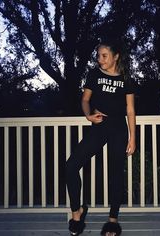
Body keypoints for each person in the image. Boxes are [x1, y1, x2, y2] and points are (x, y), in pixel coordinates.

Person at [66, 38, 136, 236]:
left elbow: (130, 110)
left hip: (118, 129)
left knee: (116, 174)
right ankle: (77, 213)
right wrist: (88, 116)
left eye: (104, 56)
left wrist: (133, 138)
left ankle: (112, 220)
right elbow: (85, 99)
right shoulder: (94, 74)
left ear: (115, 57)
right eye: (98, 56)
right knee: (71, 166)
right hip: (99, 126)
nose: (100, 59)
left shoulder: (125, 77)